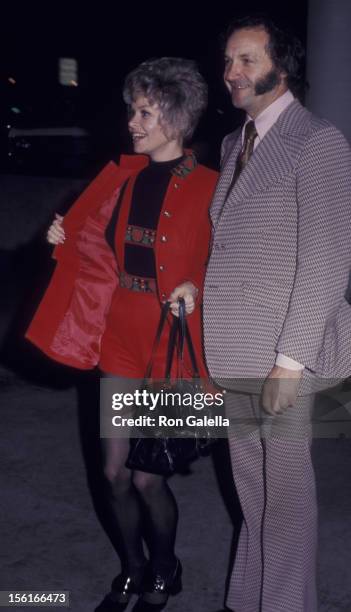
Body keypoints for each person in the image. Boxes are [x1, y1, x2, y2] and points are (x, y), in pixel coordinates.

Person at [26, 57, 218, 612]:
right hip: (119, 337)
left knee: (147, 480)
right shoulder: (121, 177)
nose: (131, 122)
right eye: (132, 110)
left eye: (145, 112)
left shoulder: (212, 186)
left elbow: (226, 259)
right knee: (113, 473)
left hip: (171, 340)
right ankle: (131, 569)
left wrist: (195, 284)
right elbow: (97, 249)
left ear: (177, 119)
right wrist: (65, 235)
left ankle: (165, 568)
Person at [203, 15, 351, 612]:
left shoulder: (317, 141)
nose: (232, 73)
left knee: (286, 496)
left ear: (281, 67)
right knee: (253, 491)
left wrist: (290, 363)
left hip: (284, 354)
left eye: (248, 60)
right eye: (229, 61)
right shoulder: (233, 144)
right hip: (235, 350)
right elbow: (233, 240)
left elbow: (326, 259)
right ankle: (249, 598)